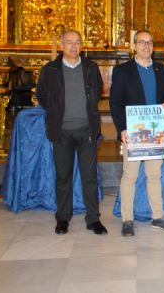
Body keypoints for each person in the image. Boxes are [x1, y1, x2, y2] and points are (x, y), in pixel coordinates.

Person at [36, 29, 107, 235]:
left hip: (87, 131)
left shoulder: (91, 68)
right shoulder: (50, 70)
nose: (73, 47)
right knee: (63, 177)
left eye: (77, 43)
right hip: (62, 132)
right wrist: (58, 112)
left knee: (89, 176)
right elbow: (42, 95)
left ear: (82, 45)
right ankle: (63, 218)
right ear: (61, 45)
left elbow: (97, 91)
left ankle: (93, 219)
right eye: (69, 43)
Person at [110, 30, 164, 237]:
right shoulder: (122, 71)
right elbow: (115, 103)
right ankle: (127, 219)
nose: (146, 46)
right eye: (142, 42)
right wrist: (122, 128)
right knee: (130, 175)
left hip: (155, 131)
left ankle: (158, 217)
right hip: (133, 130)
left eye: (150, 42)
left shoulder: (161, 70)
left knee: (154, 175)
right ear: (134, 46)